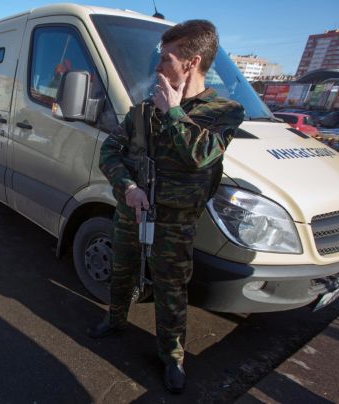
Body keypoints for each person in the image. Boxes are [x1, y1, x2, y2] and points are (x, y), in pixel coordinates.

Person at [89, 20, 244, 394]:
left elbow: (202, 156)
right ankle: (115, 319)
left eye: (165, 59)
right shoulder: (143, 110)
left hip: (176, 222)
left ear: (190, 63)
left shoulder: (224, 111)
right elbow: (110, 150)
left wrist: (174, 112)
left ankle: (172, 356)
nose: (157, 67)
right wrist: (127, 187)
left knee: (171, 289)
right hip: (133, 211)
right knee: (122, 271)